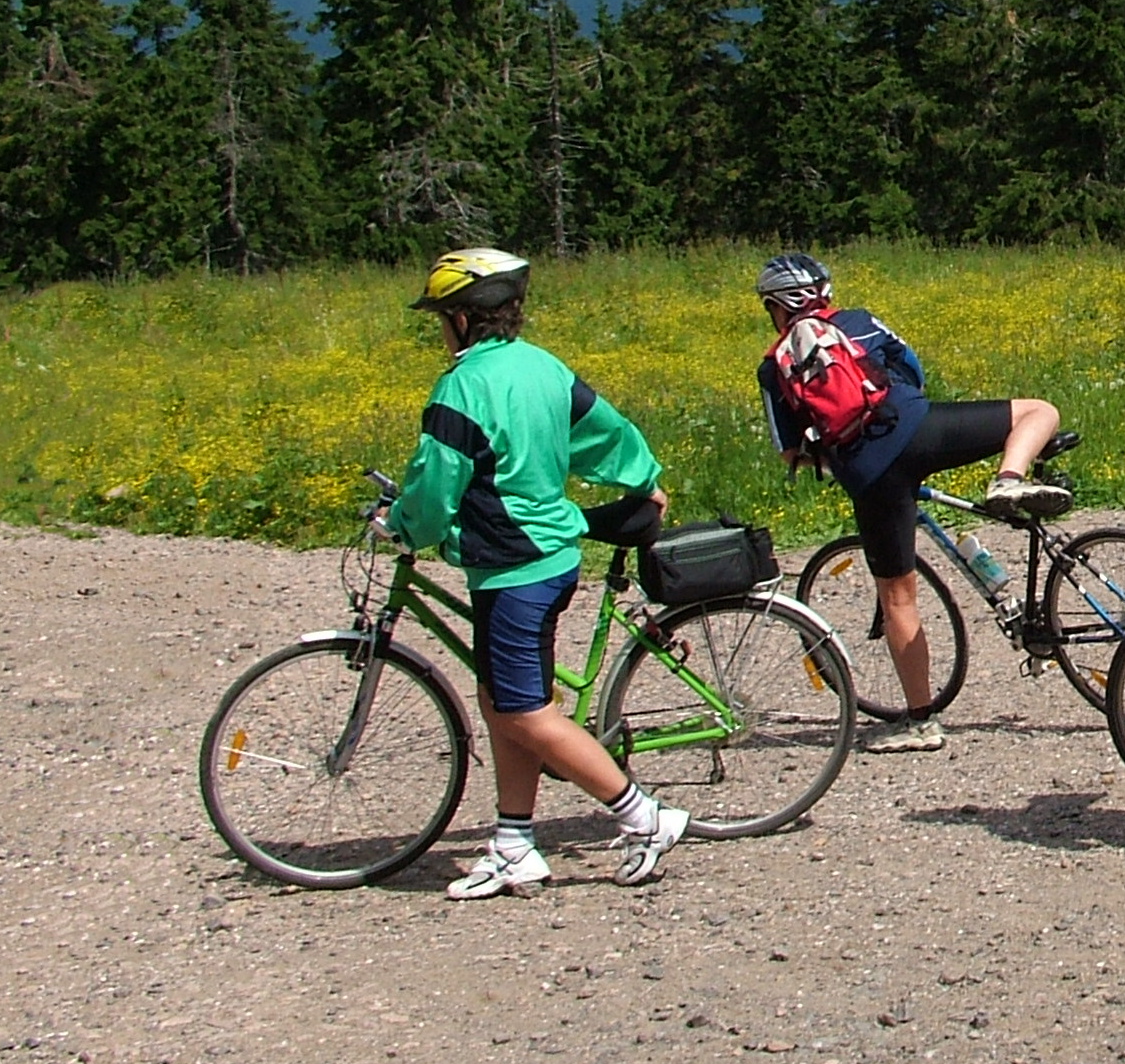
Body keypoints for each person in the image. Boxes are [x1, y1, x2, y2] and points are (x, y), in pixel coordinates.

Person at [382, 248, 686, 898]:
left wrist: (403, 526)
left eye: (442, 317)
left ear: (464, 319)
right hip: (544, 561)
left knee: (525, 713)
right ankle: (514, 843)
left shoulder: (463, 385)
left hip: (514, 565)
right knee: (504, 705)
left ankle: (643, 818)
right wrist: (643, 480)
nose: (440, 329)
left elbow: (437, 483)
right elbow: (604, 430)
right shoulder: (543, 367)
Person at [753, 251, 1068, 756]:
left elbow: (792, 450)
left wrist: (843, 460)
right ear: (823, 293)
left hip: (868, 473)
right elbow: (911, 368)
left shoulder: (773, 368)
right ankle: (1008, 479)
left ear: (776, 307)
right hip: (919, 429)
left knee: (898, 598)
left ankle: (922, 722)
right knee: (1038, 410)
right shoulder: (857, 322)